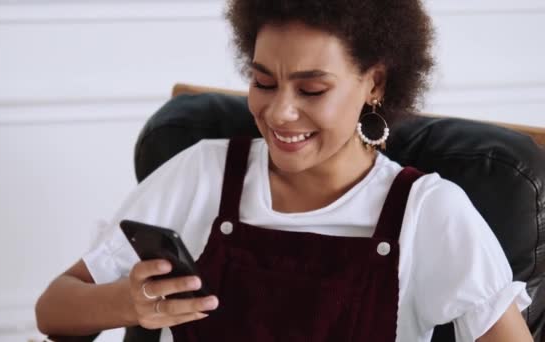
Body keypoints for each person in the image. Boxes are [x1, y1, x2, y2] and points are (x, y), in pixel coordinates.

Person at [35, 0, 535, 341]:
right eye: (263, 82)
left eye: (311, 90)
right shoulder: (203, 172)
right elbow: (53, 308)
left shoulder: (427, 212)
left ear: (375, 83)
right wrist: (127, 302)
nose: (278, 113)